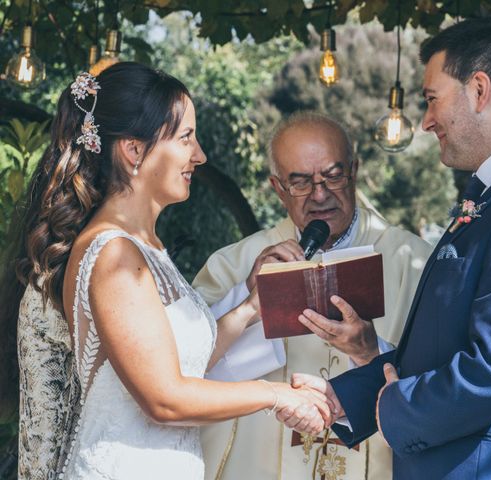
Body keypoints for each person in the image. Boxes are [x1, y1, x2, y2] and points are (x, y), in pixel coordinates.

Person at [292, 19, 491, 479]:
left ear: (480, 89)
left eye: (432, 99)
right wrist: (350, 395)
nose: (425, 121)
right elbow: (441, 350)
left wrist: (397, 406)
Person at [0, 62, 331, 480]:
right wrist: (275, 394)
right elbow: (164, 399)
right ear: (134, 150)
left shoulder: (145, 247)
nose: (200, 155)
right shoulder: (114, 255)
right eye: (185, 138)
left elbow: (172, 367)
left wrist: (251, 307)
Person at [192, 112, 433, 479]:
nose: (320, 195)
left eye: (333, 176)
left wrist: (370, 350)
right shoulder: (235, 265)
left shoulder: (414, 261)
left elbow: (444, 374)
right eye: (301, 182)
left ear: (354, 170)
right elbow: (186, 368)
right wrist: (249, 301)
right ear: (278, 187)